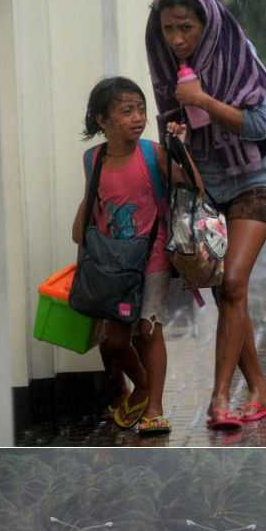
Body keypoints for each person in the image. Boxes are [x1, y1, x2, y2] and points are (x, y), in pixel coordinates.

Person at [146, 0, 266, 432]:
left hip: (253, 180)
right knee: (227, 294)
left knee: (235, 282)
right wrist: (176, 138)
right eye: (168, 29)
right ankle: (259, 387)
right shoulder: (167, 67)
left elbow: (258, 126)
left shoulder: (239, 57)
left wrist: (203, 100)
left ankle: (219, 398)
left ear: (208, 23)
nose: (177, 39)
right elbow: (173, 129)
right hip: (204, 191)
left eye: (186, 27)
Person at [73, 76, 174, 439]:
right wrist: (83, 258)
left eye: (141, 109)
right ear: (102, 120)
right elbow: (88, 214)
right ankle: (143, 386)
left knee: (148, 331)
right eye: (127, 110)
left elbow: (192, 186)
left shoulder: (153, 154)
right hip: (111, 263)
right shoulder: (93, 159)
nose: (137, 117)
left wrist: (180, 148)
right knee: (114, 341)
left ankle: (155, 409)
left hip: (152, 254)